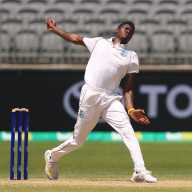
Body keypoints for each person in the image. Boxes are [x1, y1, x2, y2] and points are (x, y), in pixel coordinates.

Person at [44, 17, 157, 183]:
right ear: (118, 29)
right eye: (126, 28)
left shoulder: (131, 56)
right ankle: (52, 156)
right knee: (78, 140)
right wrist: (55, 30)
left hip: (111, 99)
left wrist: (131, 109)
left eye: (131, 32)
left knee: (128, 132)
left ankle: (139, 171)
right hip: (90, 95)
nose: (129, 32)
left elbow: (128, 87)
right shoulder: (99, 43)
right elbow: (75, 38)